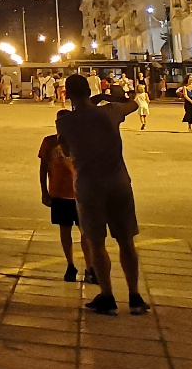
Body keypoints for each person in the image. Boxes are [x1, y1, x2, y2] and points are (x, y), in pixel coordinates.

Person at [56, 73, 147, 316]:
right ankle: (135, 296)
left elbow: (65, 149)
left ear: (67, 93)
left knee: (96, 242)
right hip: (118, 181)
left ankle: (107, 295)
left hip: (89, 185)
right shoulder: (110, 112)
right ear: (90, 90)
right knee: (126, 240)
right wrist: (106, 96)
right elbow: (134, 103)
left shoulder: (65, 122)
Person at [38, 126, 90, 283]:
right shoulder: (50, 142)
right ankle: (70, 264)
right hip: (59, 192)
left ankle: (90, 267)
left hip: (80, 194)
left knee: (85, 233)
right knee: (65, 230)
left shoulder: (81, 142)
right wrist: (44, 191)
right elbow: (43, 167)